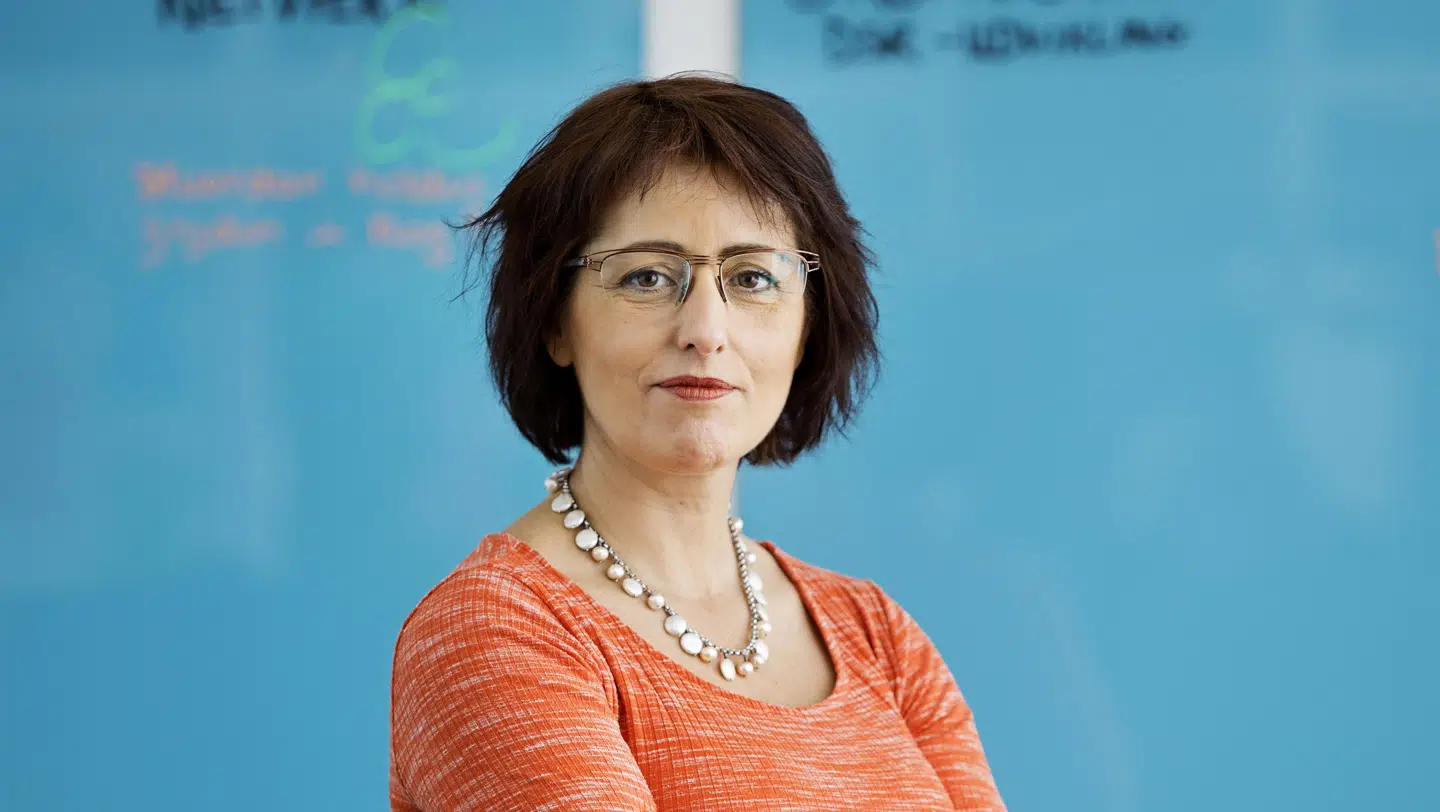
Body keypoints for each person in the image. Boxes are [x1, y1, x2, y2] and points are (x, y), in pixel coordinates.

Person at [388, 75, 1006, 811]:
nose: (707, 331)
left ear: (807, 325)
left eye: (753, 278)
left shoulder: (876, 634)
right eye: (647, 277)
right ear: (555, 321)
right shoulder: (493, 633)